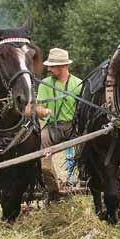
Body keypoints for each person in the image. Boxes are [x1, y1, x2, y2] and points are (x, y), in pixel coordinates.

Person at [36, 48, 82, 199]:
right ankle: (49, 180)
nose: (48, 69)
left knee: (87, 143)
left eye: (52, 66)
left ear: (63, 66)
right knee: (41, 140)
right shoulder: (45, 84)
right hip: (53, 127)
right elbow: (38, 106)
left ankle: (84, 177)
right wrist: (42, 111)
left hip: (73, 127)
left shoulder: (78, 84)